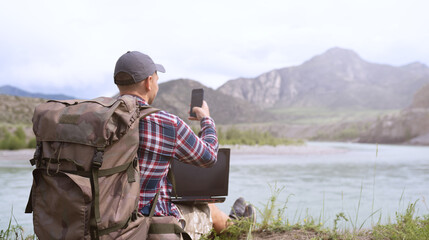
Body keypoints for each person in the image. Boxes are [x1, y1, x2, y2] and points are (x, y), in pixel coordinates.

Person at [113, 51, 255, 239]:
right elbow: (209, 156)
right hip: (144, 226)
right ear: (149, 82)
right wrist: (206, 120)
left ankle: (233, 223)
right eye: (156, 79)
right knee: (206, 208)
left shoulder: (95, 120)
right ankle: (237, 230)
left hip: (103, 219)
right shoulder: (165, 123)